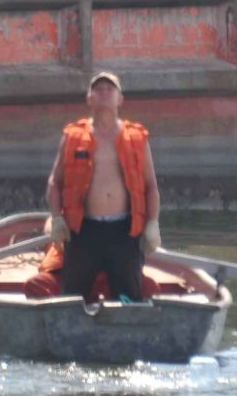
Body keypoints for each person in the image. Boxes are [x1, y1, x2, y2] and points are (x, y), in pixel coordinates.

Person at [44, 69, 162, 302]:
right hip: (82, 231)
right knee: (72, 299)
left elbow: (151, 186)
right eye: (98, 89)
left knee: (128, 297)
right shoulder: (73, 135)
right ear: (89, 99)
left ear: (120, 99)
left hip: (124, 231)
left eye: (110, 89)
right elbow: (55, 182)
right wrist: (56, 217)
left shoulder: (137, 137)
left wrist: (153, 223)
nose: (104, 93)